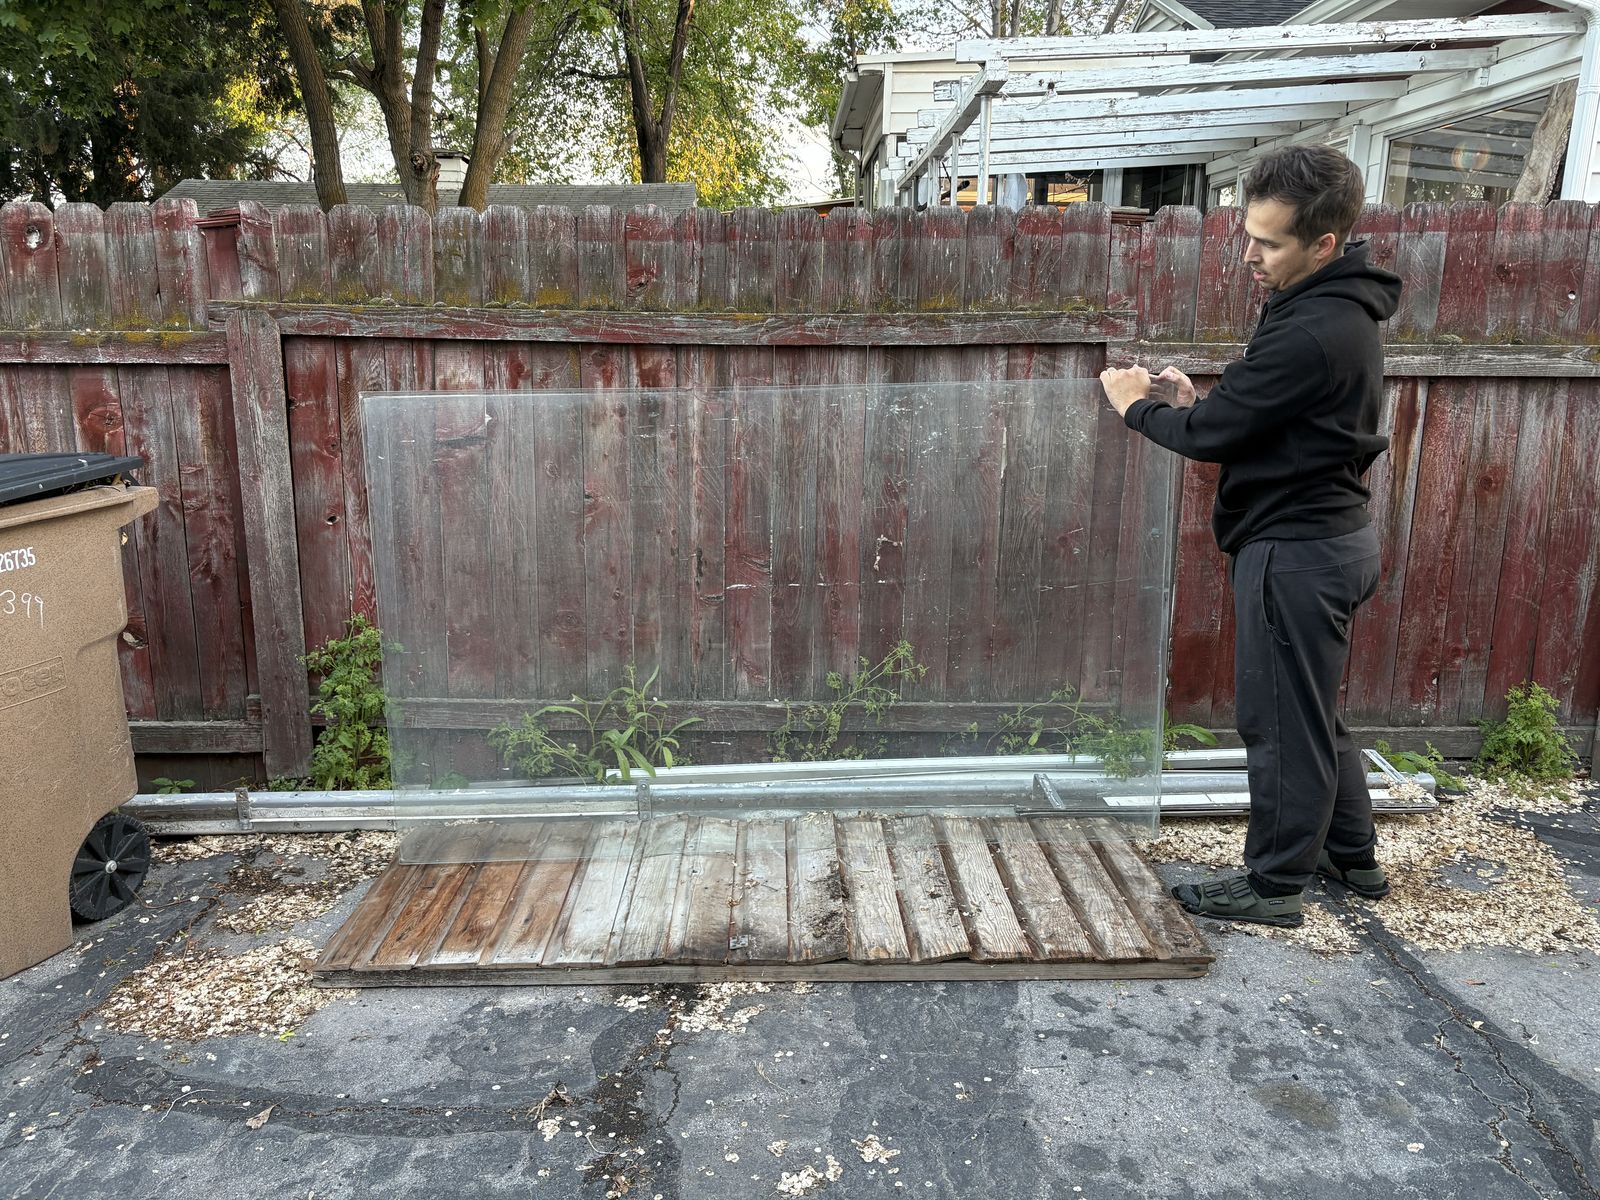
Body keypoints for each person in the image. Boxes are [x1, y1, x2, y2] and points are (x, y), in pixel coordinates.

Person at [1099, 144, 1402, 929]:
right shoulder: (1331, 308)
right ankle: (1351, 854)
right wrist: (1199, 403)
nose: (1250, 255)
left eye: (1268, 242)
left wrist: (1137, 405)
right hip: (1334, 539)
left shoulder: (1315, 328)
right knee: (1312, 711)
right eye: (1249, 236)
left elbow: (1212, 437)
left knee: (1279, 722)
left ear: (1324, 243)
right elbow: (1270, 423)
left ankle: (1274, 883)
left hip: (1295, 552)